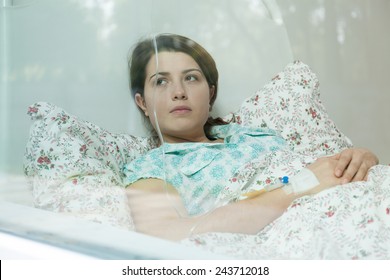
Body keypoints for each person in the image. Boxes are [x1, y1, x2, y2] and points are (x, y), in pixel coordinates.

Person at [123, 33, 379, 242]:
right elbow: (168, 236)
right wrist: (302, 185)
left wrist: (361, 158)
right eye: (160, 82)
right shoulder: (152, 171)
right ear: (142, 102)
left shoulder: (258, 135)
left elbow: (323, 167)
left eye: (191, 78)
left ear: (210, 94)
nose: (178, 92)